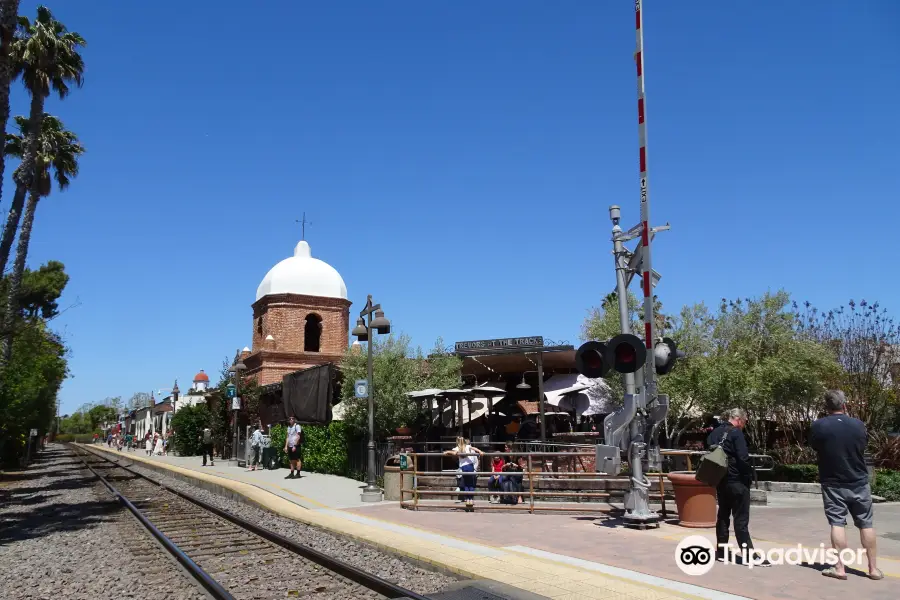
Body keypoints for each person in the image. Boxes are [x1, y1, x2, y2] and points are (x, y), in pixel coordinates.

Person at [810, 390, 882, 581]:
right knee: (866, 523)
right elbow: (863, 445)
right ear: (844, 405)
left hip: (833, 482)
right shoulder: (858, 425)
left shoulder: (819, 426)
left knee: (837, 522)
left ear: (826, 407)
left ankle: (840, 567)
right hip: (859, 481)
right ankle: (873, 569)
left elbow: (815, 446)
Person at [706, 408, 768, 566]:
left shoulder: (716, 432)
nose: (745, 424)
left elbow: (709, 446)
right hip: (737, 481)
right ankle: (749, 555)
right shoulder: (736, 433)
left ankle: (721, 551)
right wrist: (748, 478)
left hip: (721, 480)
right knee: (741, 520)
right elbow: (743, 458)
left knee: (723, 516)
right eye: (745, 421)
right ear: (739, 419)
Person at [444, 437, 484, 509]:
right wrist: (480, 451)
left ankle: (467, 499)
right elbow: (474, 448)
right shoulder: (468, 446)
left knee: (466, 483)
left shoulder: (457, 448)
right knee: (470, 483)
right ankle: (470, 499)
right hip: (470, 466)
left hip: (464, 467)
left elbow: (453, 453)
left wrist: (446, 452)